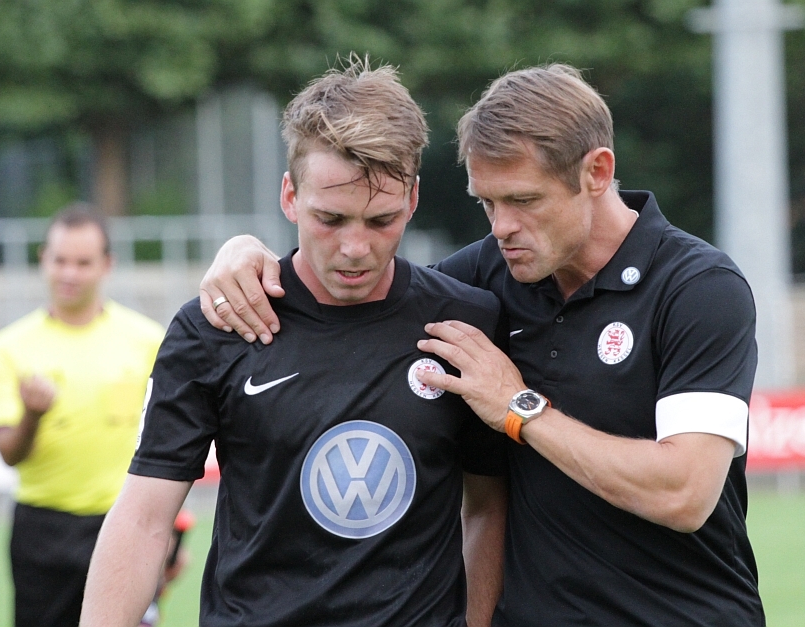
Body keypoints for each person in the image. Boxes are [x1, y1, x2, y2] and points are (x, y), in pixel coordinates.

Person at [201, 63, 765, 625]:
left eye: (524, 200)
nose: (501, 227)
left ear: (597, 171)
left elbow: (684, 494)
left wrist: (520, 409)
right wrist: (245, 256)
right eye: (488, 203)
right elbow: (358, 302)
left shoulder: (699, 288)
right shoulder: (481, 280)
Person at [80, 57, 507, 627]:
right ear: (289, 196)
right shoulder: (216, 326)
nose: (355, 247)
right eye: (330, 219)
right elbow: (143, 519)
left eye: (380, 220)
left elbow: (487, 506)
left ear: (412, 200)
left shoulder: (467, 321)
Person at [0, 205, 167, 627]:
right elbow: (9, 453)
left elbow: (168, 444)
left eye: (83, 263)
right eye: (60, 260)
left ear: (107, 265)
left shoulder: (148, 340)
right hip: (41, 528)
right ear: (43, 259)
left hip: (123, 524)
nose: (69, 273)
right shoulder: (7, 348)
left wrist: (172, 530)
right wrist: (32, 415)